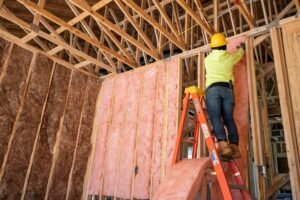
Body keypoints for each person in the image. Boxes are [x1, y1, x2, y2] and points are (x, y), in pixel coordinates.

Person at [205, 33, 245, 159]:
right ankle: (235, 147)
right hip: (228, 89)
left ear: (212, 47)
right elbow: (239, 55)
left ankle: (223, 146)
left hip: (213, 90)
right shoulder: (230, 57)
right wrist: (241, 48)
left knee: (215, 117)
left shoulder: (207, 60)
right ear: (224, 46)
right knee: (228, 118)